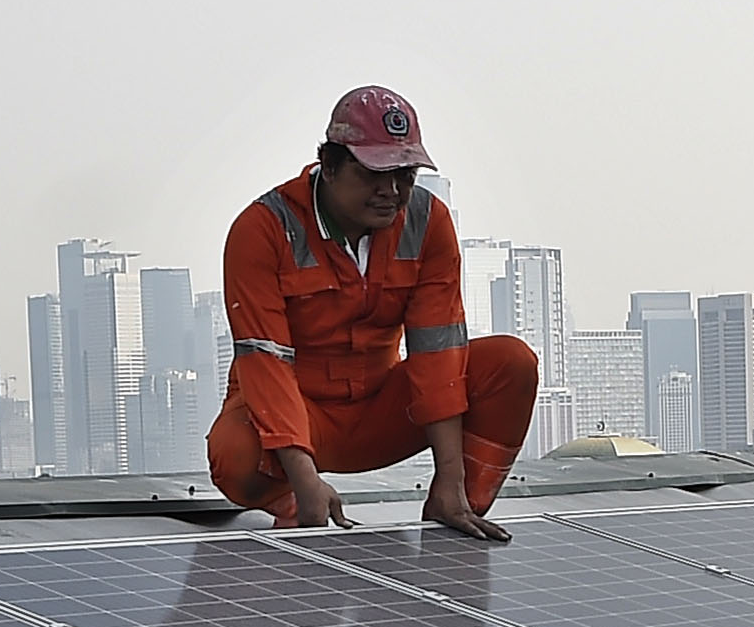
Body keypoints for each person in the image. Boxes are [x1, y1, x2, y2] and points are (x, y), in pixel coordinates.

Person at [209, 87, 540, 542]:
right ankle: (293, 500)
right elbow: (265, 363)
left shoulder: (427, 221)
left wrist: (450, 476)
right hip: (296, 414)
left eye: (404, 174)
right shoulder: (264, 229)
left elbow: (438, 353)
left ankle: (458, 507)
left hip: (381, 408)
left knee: (510, 364)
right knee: (234, 454)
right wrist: (304, 479)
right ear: (329, 166)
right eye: (373, 174)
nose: (392, 191)